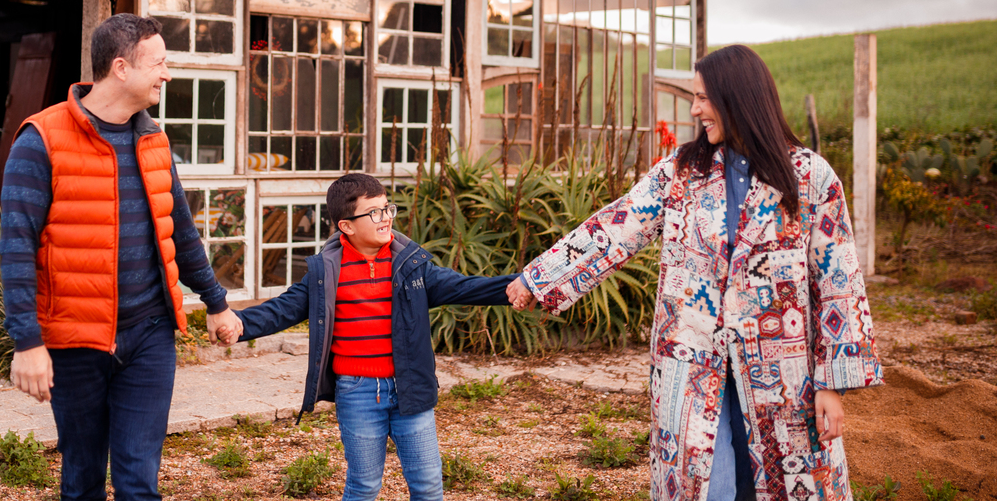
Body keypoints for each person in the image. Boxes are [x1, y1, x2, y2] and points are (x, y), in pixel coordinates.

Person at [507, 45, 883, 501]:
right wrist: (539, 278)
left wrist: (832, 384)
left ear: (736, 98)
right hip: (691, 366)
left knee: (780, 485)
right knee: (705, 488)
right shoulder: (681, 173)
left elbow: (839, 284)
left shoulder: (810, 179)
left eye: (703, 97)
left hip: (785, 379)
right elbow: (617, 226)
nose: (694, 109)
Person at [0, 13, 243, 501]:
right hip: (76, 340)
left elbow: (181, 230)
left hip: (149, 336)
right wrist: (27, 341)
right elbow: (17, 248)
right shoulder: (41, 140)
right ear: (121, 68)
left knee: (138, 482)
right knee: (83, 478)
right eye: (160, 62)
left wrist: (216, 303)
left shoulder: (154, 138)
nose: (167, 74)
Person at [215, 173, 513, 501]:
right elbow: (284, 309)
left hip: (410, 389)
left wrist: (519, 285)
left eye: (387, 209)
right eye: (375, 213)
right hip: (357, 394)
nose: (386, 218)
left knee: (428, 487)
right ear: (347, 226)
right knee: (364, 487)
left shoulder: (411, 265)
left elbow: (465, 286)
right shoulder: (326, 272)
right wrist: (240, 322)